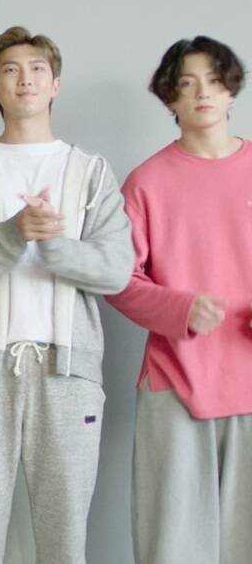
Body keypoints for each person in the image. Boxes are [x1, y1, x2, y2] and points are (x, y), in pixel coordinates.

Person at [0, 26, 132, 564]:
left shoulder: (89, 171)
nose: (26, 80)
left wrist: (53, 243)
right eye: (11, 70)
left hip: (68, 375)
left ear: (55, 84)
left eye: (38, 69)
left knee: (65, 538)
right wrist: (15, 231)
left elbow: (116, 269)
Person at [106, 36, 252, 564]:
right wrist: (180, 310)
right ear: (169, 97)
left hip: (250, 376)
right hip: (176, 382)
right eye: (187, 84)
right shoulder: (146, 183)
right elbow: (118, 279)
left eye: (213, 81)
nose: (202, 93)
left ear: (232, 90)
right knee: (173, 546)